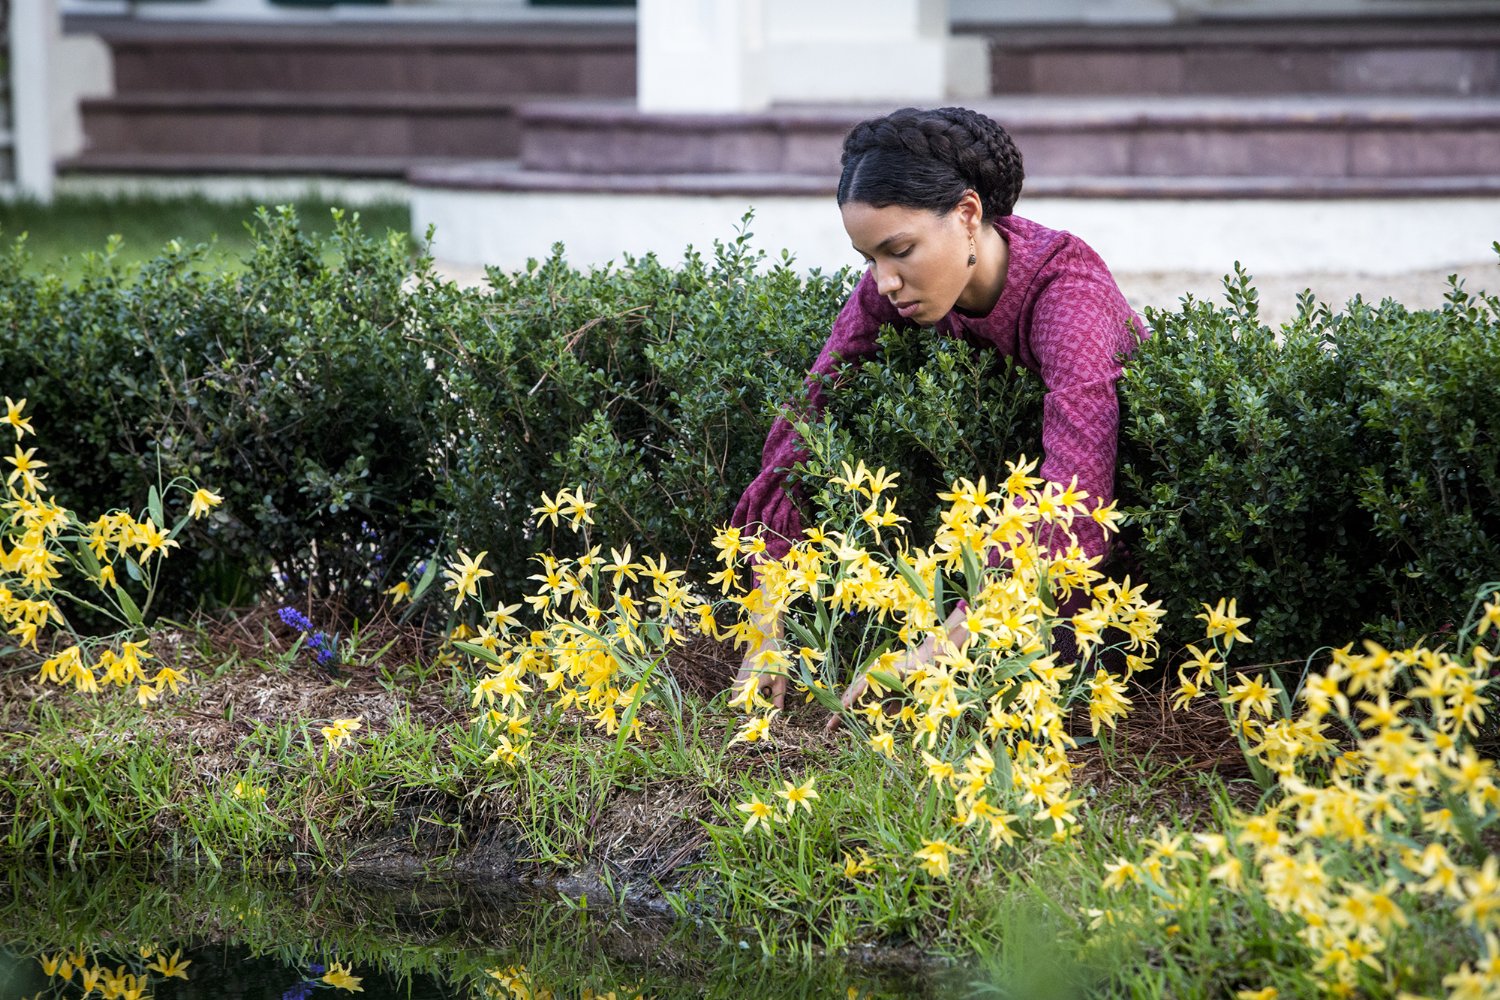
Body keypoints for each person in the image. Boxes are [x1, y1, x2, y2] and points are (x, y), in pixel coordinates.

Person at [728, 105, 1146, 715]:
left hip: (1107, 582)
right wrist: (766, 620)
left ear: (968, 214)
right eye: (870, 259)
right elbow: (806, 422)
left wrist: (939, 653)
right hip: (972, 545)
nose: (886, 281)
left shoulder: (1068, 300)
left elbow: (1074, 497)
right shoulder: (895, 287)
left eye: (900, 250)